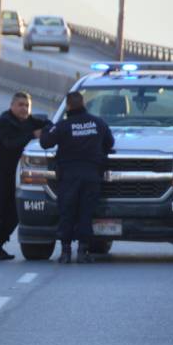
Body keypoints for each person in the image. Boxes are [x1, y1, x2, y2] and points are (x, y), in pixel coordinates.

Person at [39, 91, 114, 263]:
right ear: (83, 104)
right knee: (86, 213)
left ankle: (65, 253)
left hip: (69, 178)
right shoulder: (98, 123)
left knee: (67, 213)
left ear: (68, 106)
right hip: (92, 177)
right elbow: (110, 143)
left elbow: (45, 142)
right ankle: (83, 251)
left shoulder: (64, 126)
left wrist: (46, 127)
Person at [0, 91, 49, 261]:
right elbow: (10, 144)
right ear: (12, 106)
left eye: (27, 105)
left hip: (17, 175)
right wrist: (32, 135)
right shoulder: (5, 122)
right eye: (21, 105)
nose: (24, 109)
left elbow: (50, 126)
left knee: (14, 213)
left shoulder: (32, 121)